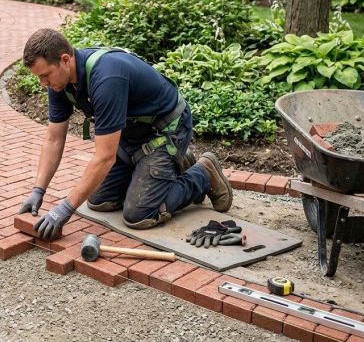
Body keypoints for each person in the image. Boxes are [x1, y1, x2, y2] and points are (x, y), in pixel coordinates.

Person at [17, 28, 233, 240]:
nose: (43, 84)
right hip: (131, 135)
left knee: (139, 214)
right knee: (99, 201)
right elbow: (54, 139)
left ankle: (203, 174)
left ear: (65, 60)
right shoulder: (60, 83)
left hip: (167, 131)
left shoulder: (106, 79)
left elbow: (105, 157)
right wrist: (38, 190)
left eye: (45, 75)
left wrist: (64, 209)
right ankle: (171, 166)